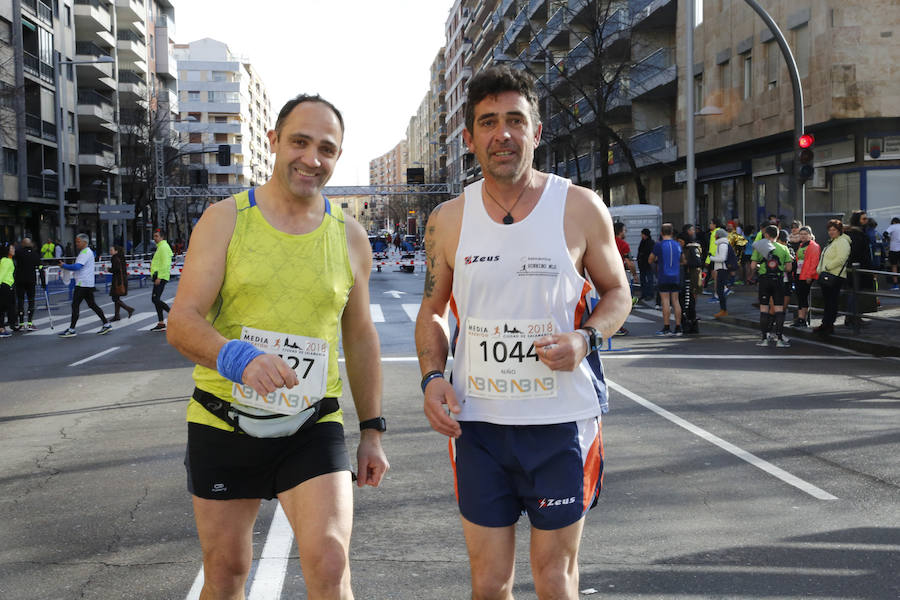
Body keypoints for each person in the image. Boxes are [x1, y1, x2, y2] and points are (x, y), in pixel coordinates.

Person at [414, 65, 631, 600]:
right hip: (479, 425)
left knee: (555, 579)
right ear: (469, 138)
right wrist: (430, 377)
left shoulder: (579, 207)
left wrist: (585, 340)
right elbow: (432, 311)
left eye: (516, 120)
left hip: (560, 423)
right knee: (489, 583)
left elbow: (618, 295)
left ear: (537, 131)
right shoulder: (447, 218)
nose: (502, 134)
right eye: (488, 122)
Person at [167, 93, 388, 600]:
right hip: (224, 419)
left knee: (331, 562)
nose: (312, 159)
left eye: (326, 149)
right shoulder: (225, 220)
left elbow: (359, 337)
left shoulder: (350, 236)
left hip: (313, 422)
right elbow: (182, 321)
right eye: (300, 142)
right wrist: (239, 358)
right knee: (226, 571)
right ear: (273, 141)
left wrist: (373, 430)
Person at [57, 234, 112, 337]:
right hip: (87, 283)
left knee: (75, 305)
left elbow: (77, 266)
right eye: (76, 241)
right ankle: (106, 323)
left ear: (84, 242)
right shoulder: (86, 252)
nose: (76, 243)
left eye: (78, 242)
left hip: (82, 283)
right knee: (92, 304)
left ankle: (72, 329)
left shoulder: (85, 252)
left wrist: (64, 265)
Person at [749, 225, 793, 347]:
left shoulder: (759, 247)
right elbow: (789, 268)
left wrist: (760, 266)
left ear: (766, 235)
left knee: (764, 309)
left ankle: (764, 339)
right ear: (777, 235)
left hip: (764, 280)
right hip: (778, 280)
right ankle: (779, 339)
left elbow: (752, 266)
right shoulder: (784, 248)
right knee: (779, 309)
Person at [649, 223, 683, 335]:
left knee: (665, 301)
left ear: (661, 233)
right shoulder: (677, 244)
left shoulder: (659, 245)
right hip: (676, 275)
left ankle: (667, 327)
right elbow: (683, 260)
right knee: (676, 301)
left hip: (664, 275)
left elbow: (650, 259)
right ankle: (678, 327)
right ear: (672, 232)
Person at [792, 226, 820, 328]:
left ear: (810, 235)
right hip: (799, 274)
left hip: (806, 275)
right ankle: (800, 318)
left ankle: (803, 319)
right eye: (801, 234)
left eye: (805, 234)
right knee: (800, 296)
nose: (803, 236)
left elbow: (814, 262)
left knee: (803, 296)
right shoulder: (801, 245)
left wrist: (810, 275)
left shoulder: (814, 246)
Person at [148, 229, 173, 332]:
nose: (154, 238)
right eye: (154, 236)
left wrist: (160, 277)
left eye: (156, 236)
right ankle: (161, 323)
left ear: (162, 237)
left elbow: (165, 264)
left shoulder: (163, 248)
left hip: (160, 277)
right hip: (158, 276)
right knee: (156, 299)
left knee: (155, 299)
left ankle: (172, 314)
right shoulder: (160, 247)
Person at [14, 238, 41, 331]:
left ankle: (21, 323)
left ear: (22, 244)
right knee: (31, 300)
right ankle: (29, 323)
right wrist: (44, 283)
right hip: (31, 280)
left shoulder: (18, 252)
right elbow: (40, 267)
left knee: (20, 300)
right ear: (31, 244)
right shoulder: (35, 254)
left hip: (19, 280)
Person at [613, 221, 635, 335]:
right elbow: (629, 262)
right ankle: (618, 326)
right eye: (624, 230)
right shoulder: (623, 244)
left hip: (605, 273)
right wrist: (635, 275)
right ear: (621, 231)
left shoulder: (608, 241)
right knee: (621, 302)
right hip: (619, 274)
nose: (625, 232)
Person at [107, 245, 134, 321]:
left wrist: (109, 269)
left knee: (115, 298)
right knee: (116, 298)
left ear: (116, 251)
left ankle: (129, 309)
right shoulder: (121, 257)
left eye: (111, 250)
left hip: (117, 281)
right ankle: (117, 315)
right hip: (122, 279)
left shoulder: (115, 258)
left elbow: (116, 269)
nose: (110, 251)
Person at [711, 229, 730, 318]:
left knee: (720, 290)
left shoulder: (722, 245)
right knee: (720, 290)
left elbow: (722, 258)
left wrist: (712, 258)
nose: (714, 236)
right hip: (721, 269)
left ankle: (723, 310)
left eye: (716, 235)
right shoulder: (722, 244)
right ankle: (723, 309)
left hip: (722, 269)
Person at [637, 227, 656, 302]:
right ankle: (644, 294)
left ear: (645, 235)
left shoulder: (650, 242)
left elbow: (649, 253)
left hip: (648, 264)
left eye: (642, 234)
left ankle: (650, 294)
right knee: (643, 280)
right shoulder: (643, 242)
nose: (641, 236)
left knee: (649, 279)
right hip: (643, 265)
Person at [0, 242, 15, 338]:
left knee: (4, 308)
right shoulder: (6, 261)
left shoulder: (8, 260)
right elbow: (2, 273)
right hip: (5, 285)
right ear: (7, 251)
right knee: (2, 308)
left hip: (7, 285)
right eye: (12, 248)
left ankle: (3, 327)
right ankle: (1, 329)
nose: (14, 250)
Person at [886, 217, 900, 290]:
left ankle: (896, 284)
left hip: (893, 249)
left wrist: (889, 239)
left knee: (894, 266)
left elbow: (885, 233)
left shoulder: (892, 226)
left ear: (893, 222)